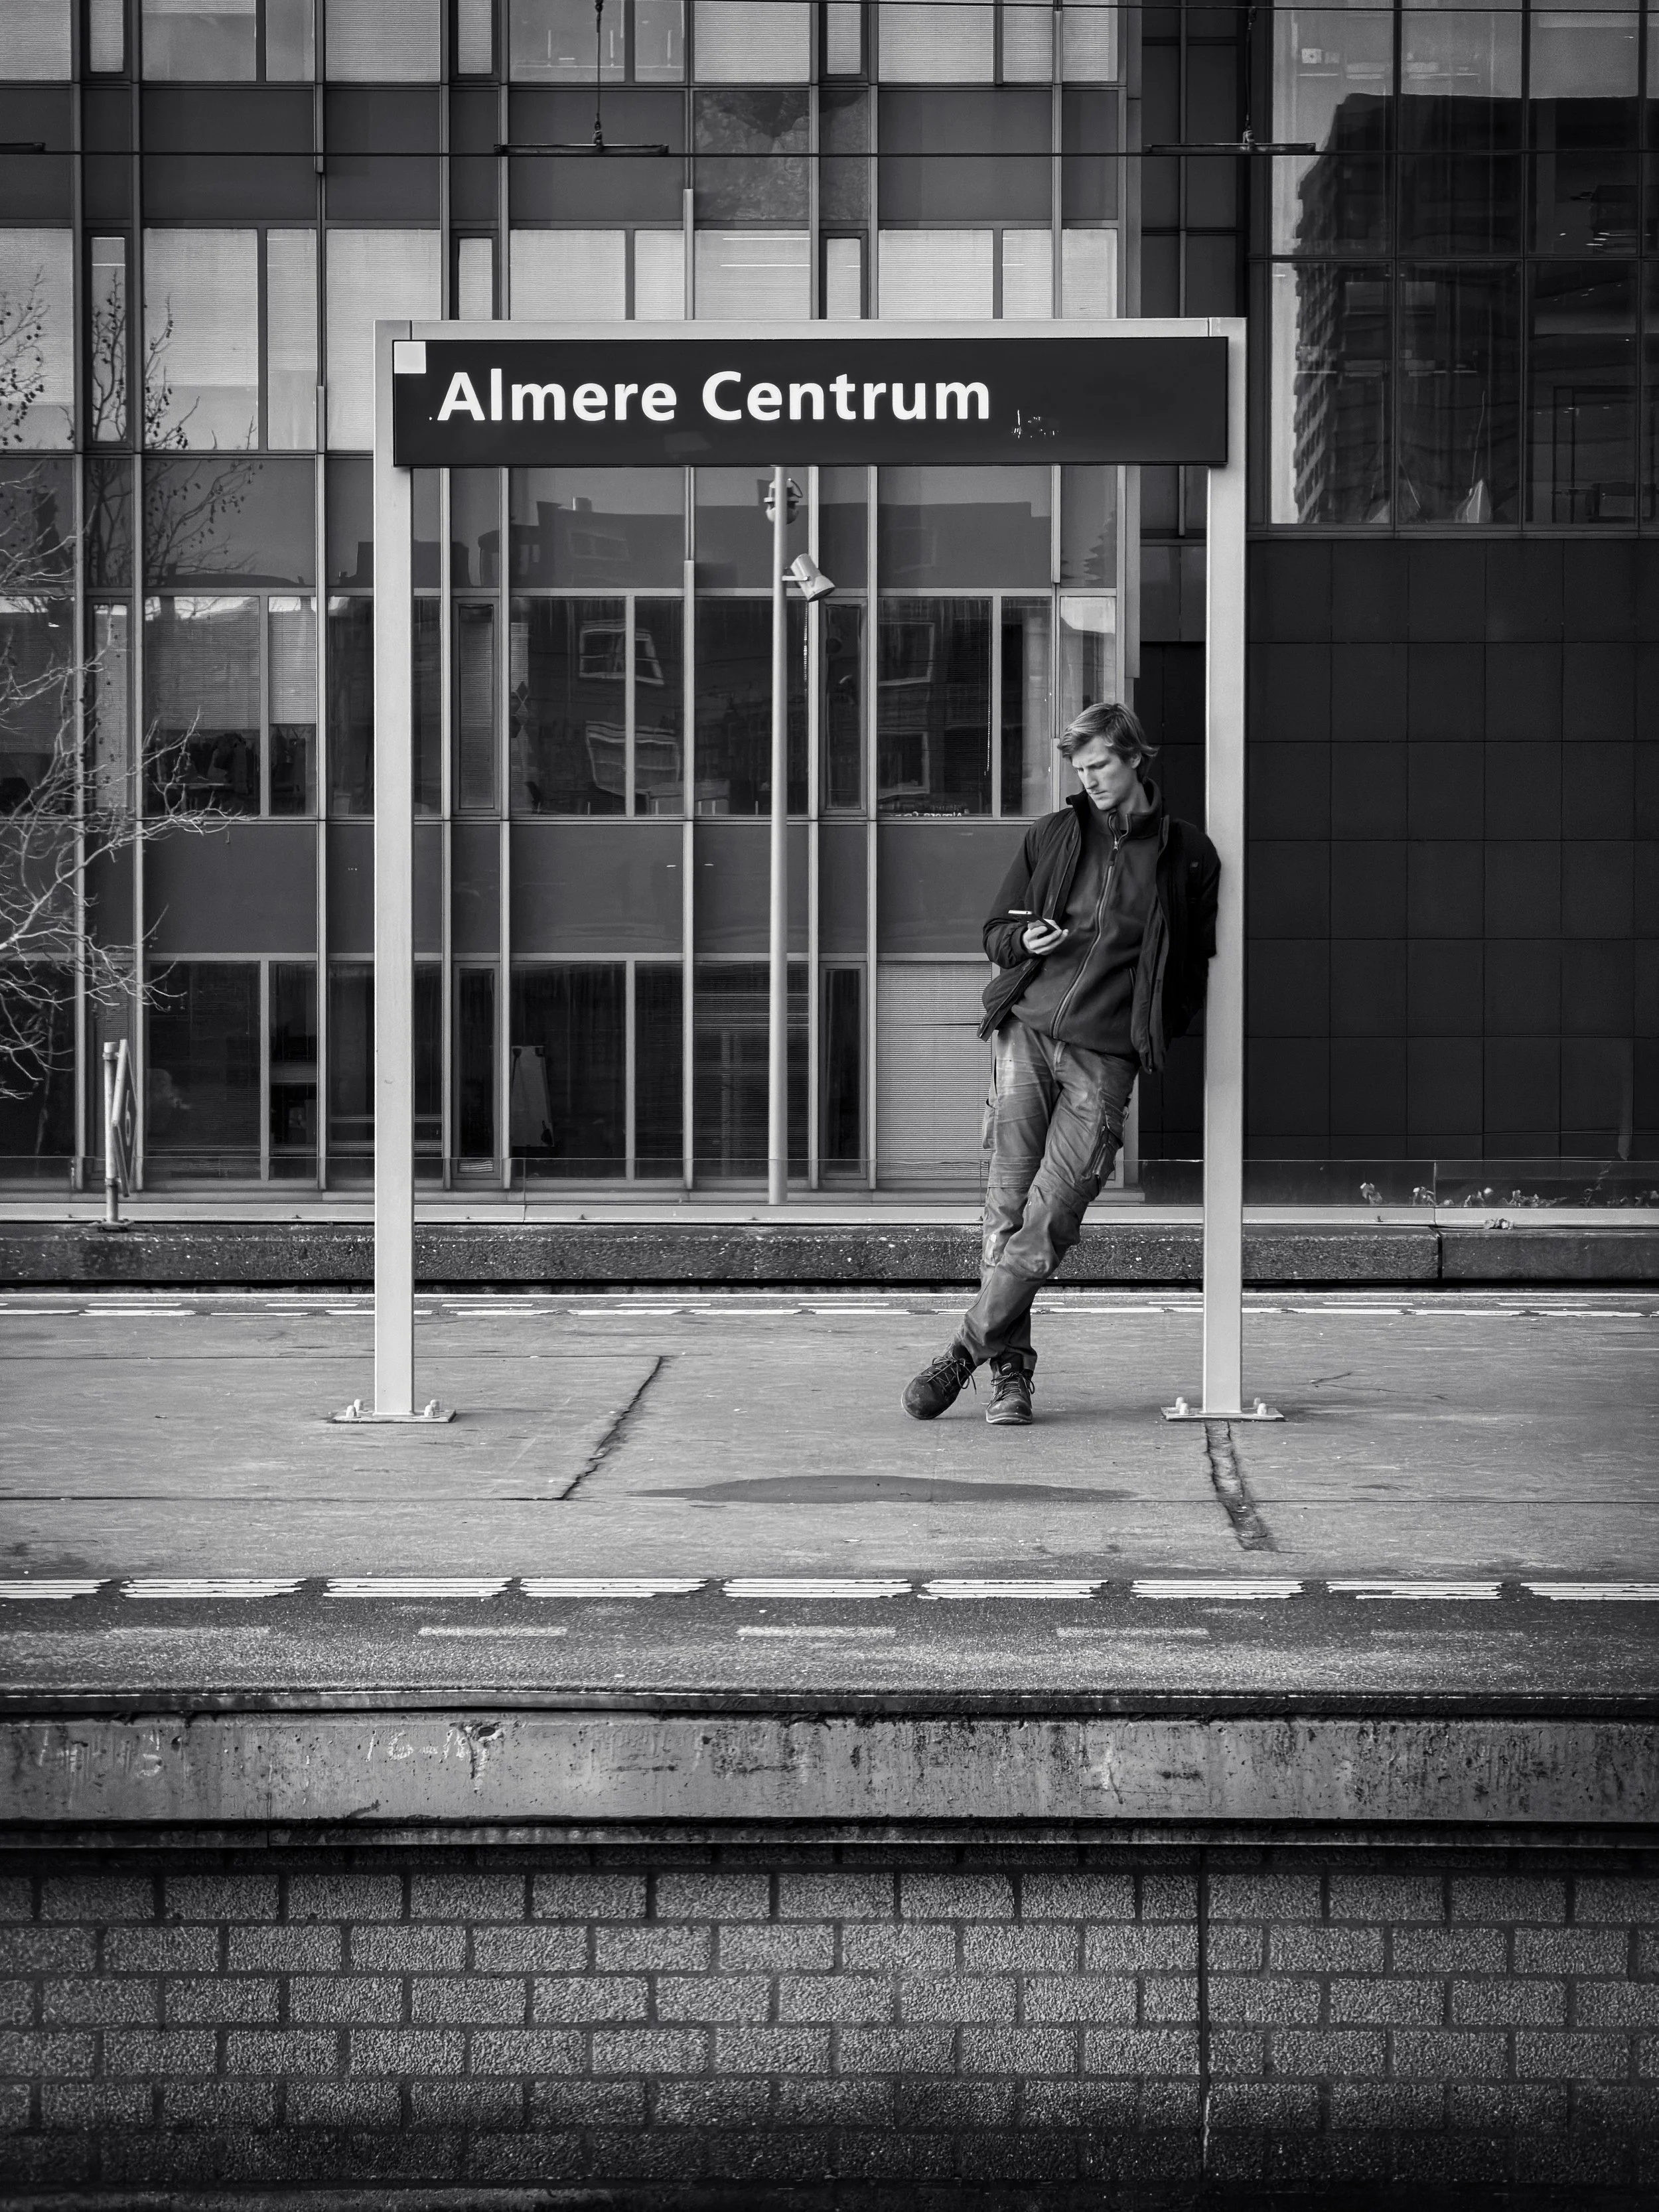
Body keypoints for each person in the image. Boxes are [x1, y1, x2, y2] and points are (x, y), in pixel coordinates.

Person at [902, 700, 1220, 1425]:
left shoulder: (1188, 854)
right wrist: (1025, 944)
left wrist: (1149, 1033)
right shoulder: (1053, 835)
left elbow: (1191, 971)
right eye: (1080, 768)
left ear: (1135, 758)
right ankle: (1010, 1376)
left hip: (1104, 1058)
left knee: (1053, 1216)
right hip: (1027, 1034)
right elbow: (995, 932)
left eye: (1101, 764)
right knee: (1005, 1212)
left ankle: (961, 1353)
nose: (1091, 779)